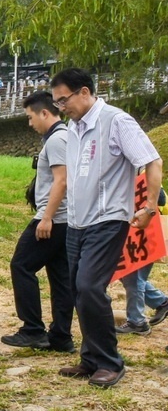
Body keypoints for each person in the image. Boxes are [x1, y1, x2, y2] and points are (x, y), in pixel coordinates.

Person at [53, 68, 163, 387]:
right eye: (57, 102)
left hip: (108, 219)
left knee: (89, 286)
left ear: (84, 92)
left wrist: (149, 206)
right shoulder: (73, 127)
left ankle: (110, 363)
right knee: (76, 289)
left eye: (65, 100)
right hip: (77, 223)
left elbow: (152, 161)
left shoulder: (116, 121)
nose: (62, 107)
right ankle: (90, 358)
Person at [1, 91, 75, 352]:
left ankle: (32, 329)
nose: (30, 123)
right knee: (61, 277)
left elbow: (62, 181)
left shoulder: (57, 140)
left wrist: (46, 217)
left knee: (21, 265)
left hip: (53, 219)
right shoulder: (68, 135)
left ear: (45, 113)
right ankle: (61, 337)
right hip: (67, 221)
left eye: (31, 117)